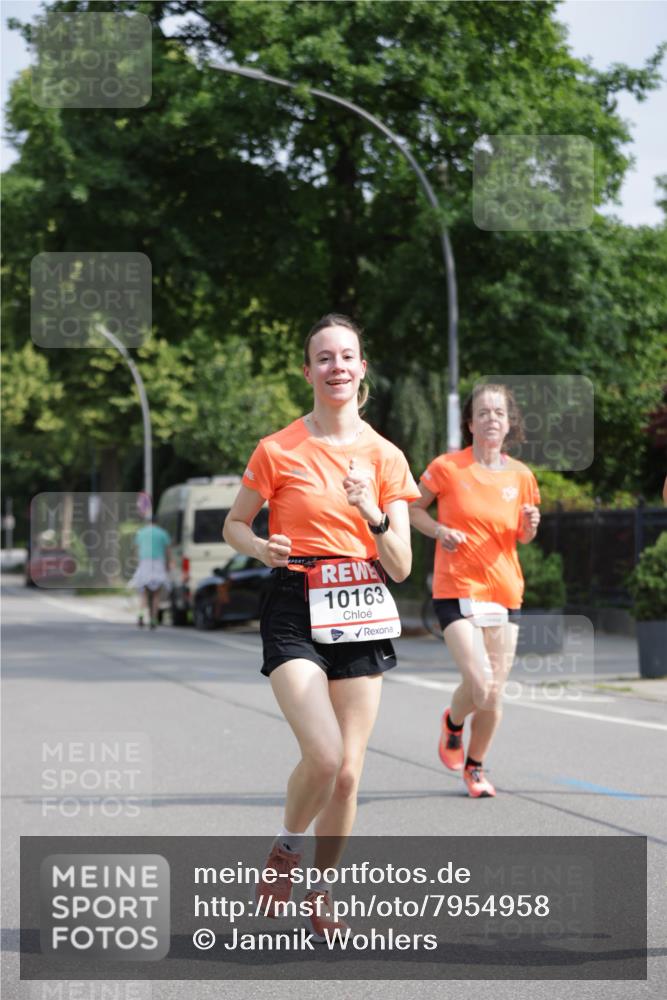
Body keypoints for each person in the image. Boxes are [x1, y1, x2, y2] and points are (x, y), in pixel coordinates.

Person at [223, 313, 420, 939]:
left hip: (362, 602)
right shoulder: (277, 449)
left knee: (350, 772)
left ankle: (324, 887)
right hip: (294, 600)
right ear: (308, 371)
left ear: (363, 369)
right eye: (324, 358)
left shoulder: (386, 457)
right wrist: (259, 549)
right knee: (326, 754)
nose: (337, 367)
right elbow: (234, 524)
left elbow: (402, 565)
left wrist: (371, 510)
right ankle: (286, 846)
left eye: (348, 356)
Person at [409, 383, 540, 798]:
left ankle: (476, 766)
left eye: (499, 413)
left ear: (509, 423)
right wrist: (438, 529)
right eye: (483, 413)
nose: (491, 419)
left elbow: (522, 537)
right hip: (457, 589)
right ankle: (453, 724)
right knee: (481, 683)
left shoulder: (521, 476)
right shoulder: (448, 468)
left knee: (493, 692)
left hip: (504, 591)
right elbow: (412, 509)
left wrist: (531, 527)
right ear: (470, 423)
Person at [130, 517, 171, 629]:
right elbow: (168, 551)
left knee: (143, 593)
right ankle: (153, 619)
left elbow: (136, 550)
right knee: (156, 594)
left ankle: (141, 615)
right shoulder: (163, 533)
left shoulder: (141, 533)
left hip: (145, 563)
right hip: (158, 563)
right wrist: (167, 565)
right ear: (157, 522)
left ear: (148, 522)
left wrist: (137, 563)